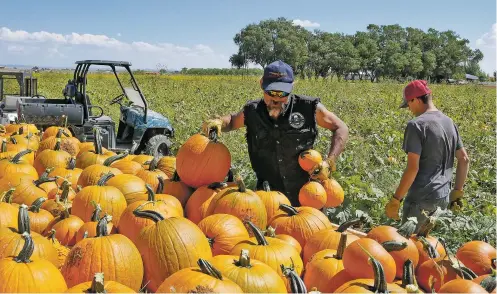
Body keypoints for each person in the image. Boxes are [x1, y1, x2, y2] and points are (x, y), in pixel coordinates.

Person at [202, 60, 349, 206]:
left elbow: (341, 127)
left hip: (308, 196)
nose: (276, 99)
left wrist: (330, 162)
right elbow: (233, 120)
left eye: (282, 93)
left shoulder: (308, 108)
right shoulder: (252, 111)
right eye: (271, 92)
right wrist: (220, 122)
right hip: (268, 199)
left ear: (292, 87)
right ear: (261, 85)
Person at [385, 80, 470, 231]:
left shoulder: (416, 125)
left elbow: (413, 168)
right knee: (428, 246)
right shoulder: (449, 122)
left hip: (421, 198)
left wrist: (396, 199)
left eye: (408, 104)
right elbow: (464, 159)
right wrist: (456, 193)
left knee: (410, 247)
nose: (409, 108)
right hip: (443, 198)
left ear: (416, 100)